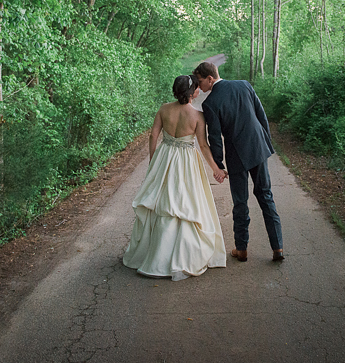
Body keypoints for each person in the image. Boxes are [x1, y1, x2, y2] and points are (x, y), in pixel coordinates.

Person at [122, 75, 227, 281]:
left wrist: (153, 162)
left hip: (165, 157)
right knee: (185, 201)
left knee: (162, 200)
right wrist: (216, 169)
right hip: (186, 161)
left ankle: (155, 254)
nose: (198, 91)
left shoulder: (163, 109)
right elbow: (203, 146)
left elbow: (153, 136)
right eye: (196, 88)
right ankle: (180, 256)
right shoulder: (197, 115)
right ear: (191, 93)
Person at [193, 61, 284, 263]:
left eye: (200, 82)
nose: (199, 87)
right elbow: (261, 116)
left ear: (210, 78)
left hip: (236, 156)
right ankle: (278, 247)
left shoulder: (210, 103)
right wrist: (265, 142)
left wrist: (219, 165)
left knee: (240, 202)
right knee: (265, 195)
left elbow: (215, 138)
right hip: (258, 148)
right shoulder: (244, 84)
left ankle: (241, 250)